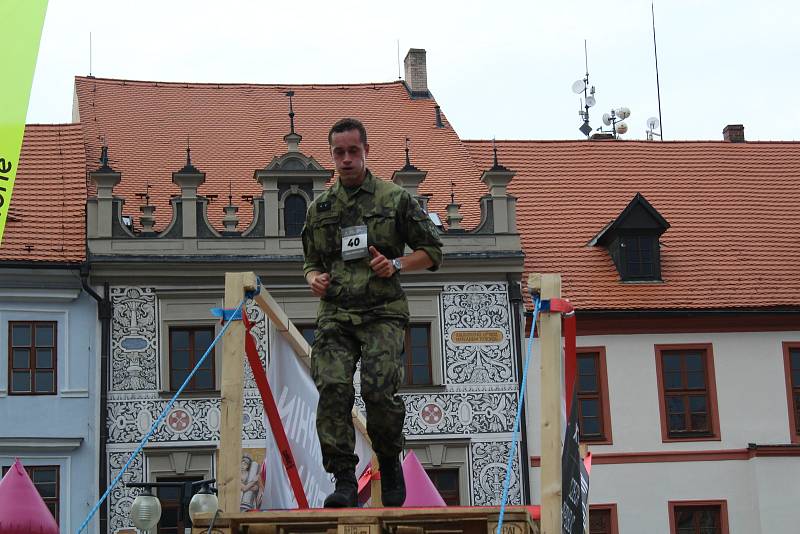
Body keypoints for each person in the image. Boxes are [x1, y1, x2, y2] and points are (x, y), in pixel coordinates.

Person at [302, 118, 443, 508]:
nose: (346, 160)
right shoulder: (321, 208)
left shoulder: (394, 199)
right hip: (336, 315)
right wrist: (313, 278)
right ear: (331, 154)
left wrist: (396, 264)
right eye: (339, 152)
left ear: (366, 152)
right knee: (333, 389)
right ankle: (344, 478)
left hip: (382, 311)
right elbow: (310, 262)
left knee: (378, 392)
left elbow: (433, 251)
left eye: (353, 151)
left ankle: (388, 459)